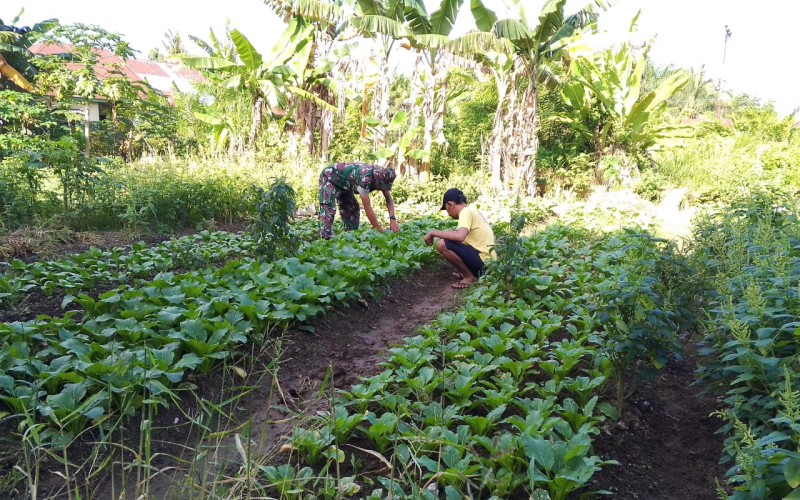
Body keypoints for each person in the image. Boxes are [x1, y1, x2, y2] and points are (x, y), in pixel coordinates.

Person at [424, 188, 495, 289]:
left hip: (484, 264)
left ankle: (470, 277)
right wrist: (446, 233)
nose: (448, 213)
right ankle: (470, 273)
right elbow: (460, 236)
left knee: (442, 244)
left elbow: (459, 236)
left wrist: (433, 232)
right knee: (447, 237)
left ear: (451, 204)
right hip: (490, 264)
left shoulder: (465, 212)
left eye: (446, 208)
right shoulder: (473, 211)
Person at [318, 162, 400, 239]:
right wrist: (379, 231)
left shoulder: (383, 175)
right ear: (377, 180)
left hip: (346, 183)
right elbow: (367, 208)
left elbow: (388, 198)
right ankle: (324, 239)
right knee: (328, 208)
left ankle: (350, 236)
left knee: (352, 207)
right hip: (330, 177)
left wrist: (393, 219)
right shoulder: (366, 179)